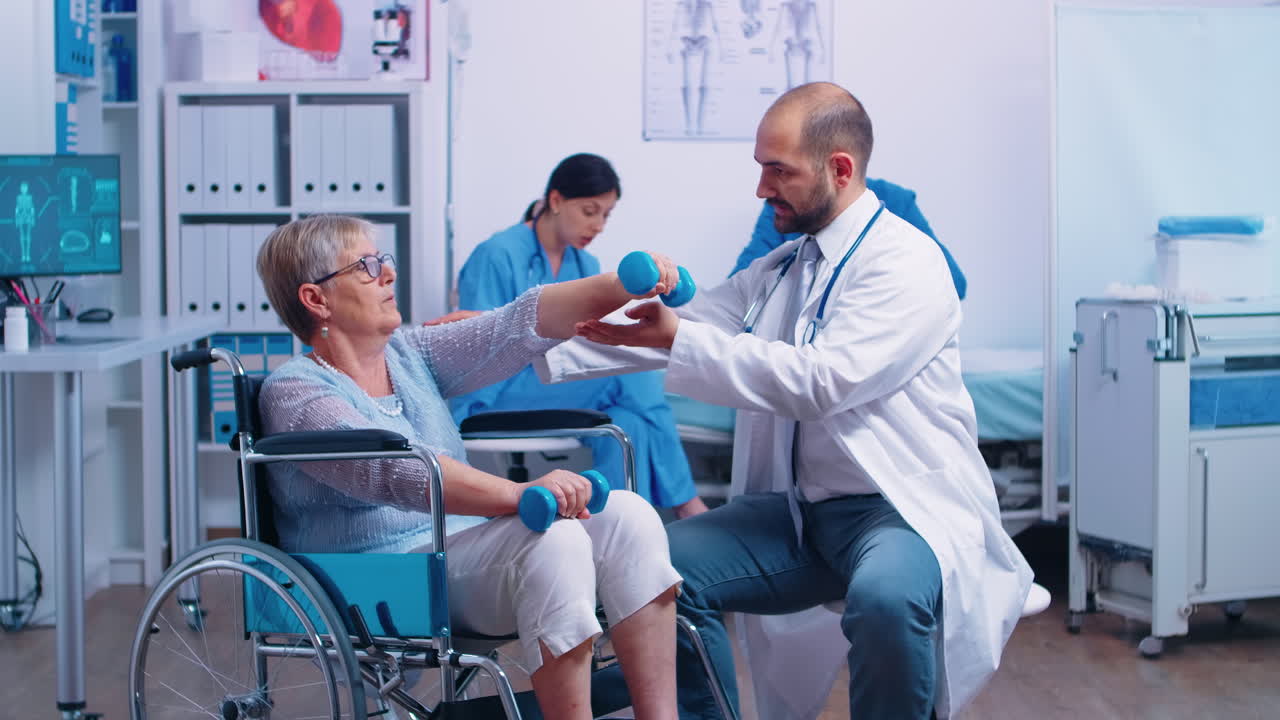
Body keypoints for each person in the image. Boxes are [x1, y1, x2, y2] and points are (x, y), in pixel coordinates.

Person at [536, 83, 1033, 719]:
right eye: (760, 168)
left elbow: (821, 383)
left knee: (886, 601)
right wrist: (521, 333)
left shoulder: (908, 264)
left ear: (840, 169)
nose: (762, 187)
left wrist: (679, 335)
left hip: (900, 513)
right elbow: (683, 325)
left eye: (778, 170)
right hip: (803, 518)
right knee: (652, 566)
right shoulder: (785, 265)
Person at [255, 214, 686, 720]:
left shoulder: (409, 355)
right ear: (316, 299)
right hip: (375, 577)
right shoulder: (294, 392)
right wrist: (522, 494)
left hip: (458, 552)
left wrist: (621, 286)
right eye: (367, 267)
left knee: (630, 514)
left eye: (384, 262)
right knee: (557, 537)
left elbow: (513, 326)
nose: (388, 275)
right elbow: (400, 473)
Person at [447, 153, 708, 518]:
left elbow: (587, 345)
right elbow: (475, 347)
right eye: (590, 211)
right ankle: (686, 504)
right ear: (556, 201)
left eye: (606, 215)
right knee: (630, 373)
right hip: (494, 391)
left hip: (555, 382)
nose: (599, 225)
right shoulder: (496, 254)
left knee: (627, 422)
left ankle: (618, 528)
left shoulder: (585, 265)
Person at [731, 180, 968, 300]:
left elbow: (953, 284)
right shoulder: (783, 208)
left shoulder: (894, 202)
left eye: (784, 170)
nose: (764, 188)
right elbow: (739, 287)